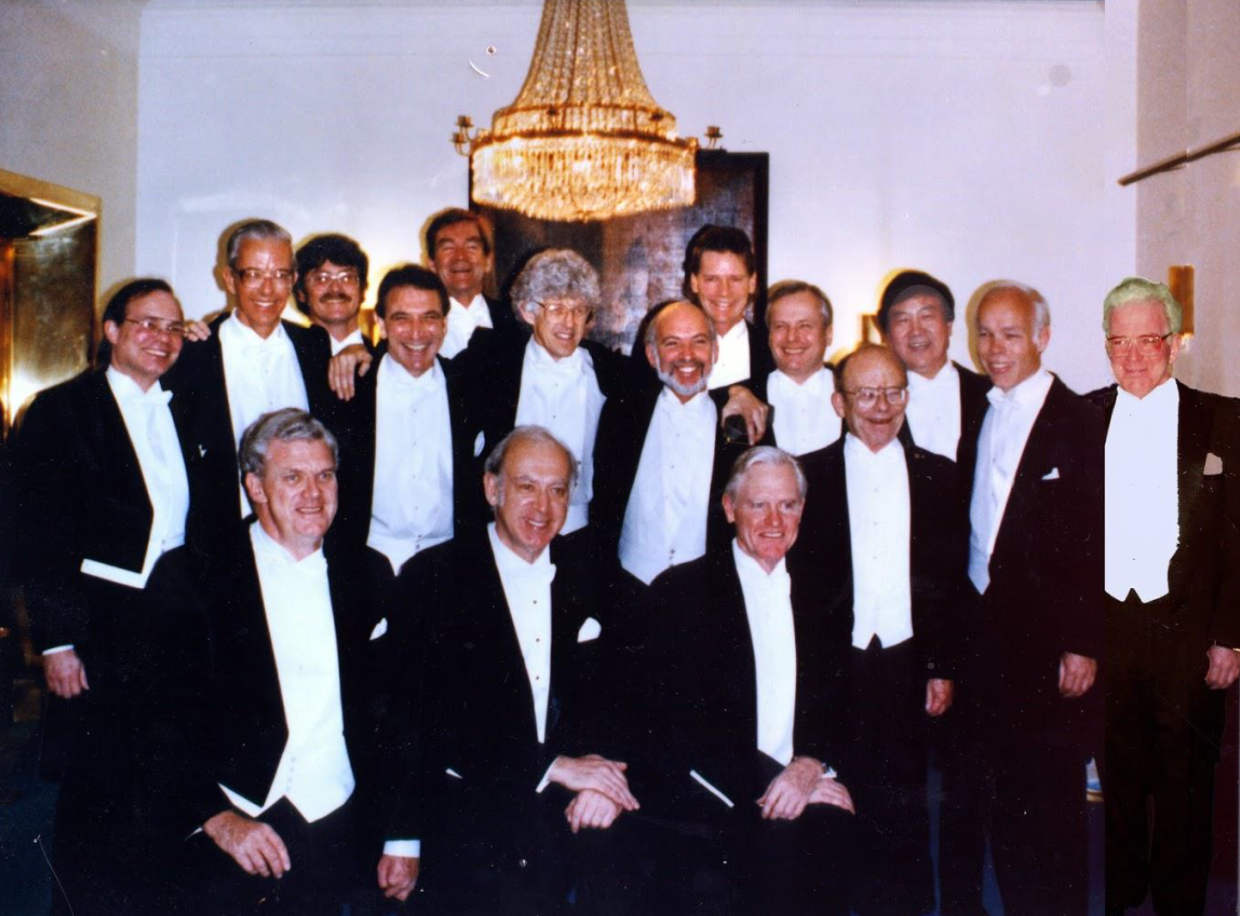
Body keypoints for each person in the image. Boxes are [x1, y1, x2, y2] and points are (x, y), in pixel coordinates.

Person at [12, 278, 207, 914]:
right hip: (98, 626)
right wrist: (58, 640)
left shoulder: (185, 405)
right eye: (146, 324)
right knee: (96, 798)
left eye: (173, 327)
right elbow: (35, 532)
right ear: (112, 331)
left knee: (165, 785)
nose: (161, 338)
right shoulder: (61, 408)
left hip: (174, 623)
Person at [179, 408, 415, 914]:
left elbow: (402, 715)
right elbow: (154, 717)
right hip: (236, 820)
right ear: (256, 487)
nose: (314, 493)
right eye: (292, 477)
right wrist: (217, 818)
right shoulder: (196, 574)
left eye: (324, 475)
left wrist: (402, 837)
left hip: (344, 817)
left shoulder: (370, 574)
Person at [397, 426, 637, 915]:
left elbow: (631, 684)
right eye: (527, 486)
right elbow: (426, 719)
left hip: (570, 806)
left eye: (557, 490)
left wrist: (606, 775)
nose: (542, 507)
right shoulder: (433, 577)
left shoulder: (592, 571)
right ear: (492, 489)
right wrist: (550, 766)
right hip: (473, 801)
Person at [612, 446, 855, 915]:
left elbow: (839, 699)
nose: (774, 520)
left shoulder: (824, 590)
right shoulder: (680, 593)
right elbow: (673, 731)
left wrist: (809, 767)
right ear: (729, 508)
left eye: (787, 505)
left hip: (801, 785)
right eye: (757, 504)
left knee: (834, 838)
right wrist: (782, 781)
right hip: (713, 801)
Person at [942, 281, 1103, 916]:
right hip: (984, 632)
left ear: (1043, 337)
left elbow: (1100, 541)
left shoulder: (1081, 420)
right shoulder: (982, 408)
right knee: (983, 789)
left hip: (1047, 643)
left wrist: (1084, 642)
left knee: (1049, 801)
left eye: (1010, 334)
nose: (995, 347)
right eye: (985, 333)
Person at [794, 344, 966, 914]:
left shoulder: (940, 476)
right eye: (866, 393)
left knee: (905, 801)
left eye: (893, 391)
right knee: (833, 793)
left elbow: (946, 580)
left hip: (905, 658)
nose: (881, 405)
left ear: (908, 398)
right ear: (840, 402)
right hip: (831, 658)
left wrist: (941, 666)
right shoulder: (805, 475)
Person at [1092, 277, 1240, 916]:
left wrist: (1230, 635)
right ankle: (1123, 898)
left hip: (1187, 628)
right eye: (1118, 342)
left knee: (1187, 781)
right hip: (1109, 624)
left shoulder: (1225, 418)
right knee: (1118, 777)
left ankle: (1181, 904)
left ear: (1174, 343)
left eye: (1147, 339)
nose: (1132, 356)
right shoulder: (1083, 414)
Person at [163, 219, 337, 525]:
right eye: (254, 274)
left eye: (280, 275)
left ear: (293, 279)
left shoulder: (315, 346)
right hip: (224, 534)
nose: (268, 289)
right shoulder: (194, 352)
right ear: (230, 279)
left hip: (307, 531)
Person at [594, 301, 761, 587]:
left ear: (715, 351)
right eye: (672, 343)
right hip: (630, 587)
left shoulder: (740, 420)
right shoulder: (622, 413)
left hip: (709, 593)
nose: (687, 356)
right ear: (651, 354)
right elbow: (603, 506)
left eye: (699, 342)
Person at [329, 264, 488, 561]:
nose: (417, 333)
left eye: (429, 318)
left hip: (450, 559)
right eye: (402, 319)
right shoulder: (349, 387)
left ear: (444, 324)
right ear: (382, 324)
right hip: (369, 557)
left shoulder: (471, 389)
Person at [472, 249, 632, 542]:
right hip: (506, 530)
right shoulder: (492, 366)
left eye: (579, 309)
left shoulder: (613, 373)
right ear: (528, 311)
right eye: (557, 309)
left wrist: (736, 392)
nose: (570, 323)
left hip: (581, 532)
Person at [878, 269, 991, 462]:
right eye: (903, 320)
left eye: (927, 316)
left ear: (949, 326)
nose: (916, 331)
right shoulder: (875, 404)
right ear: (888, 336)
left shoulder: (989, 393)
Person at [745, 280, 841, 456]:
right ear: (769, 335)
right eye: (781, 326)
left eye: (804, 325)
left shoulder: (852, 391)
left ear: (828, 334)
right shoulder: (746, 395)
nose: (791, 337)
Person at [424, 207, 518, 358]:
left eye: (471, 247)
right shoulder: (417, 328)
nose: (460, 257)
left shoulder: (515, 322)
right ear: (432, 265)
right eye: (448, 248)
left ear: (488, 261)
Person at [293, 233, 373, 355]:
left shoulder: (384, 357)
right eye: (322, 279)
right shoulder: (289, 356)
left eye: (347, 278)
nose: (335, 288)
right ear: (301, 293)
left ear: (362, 289)